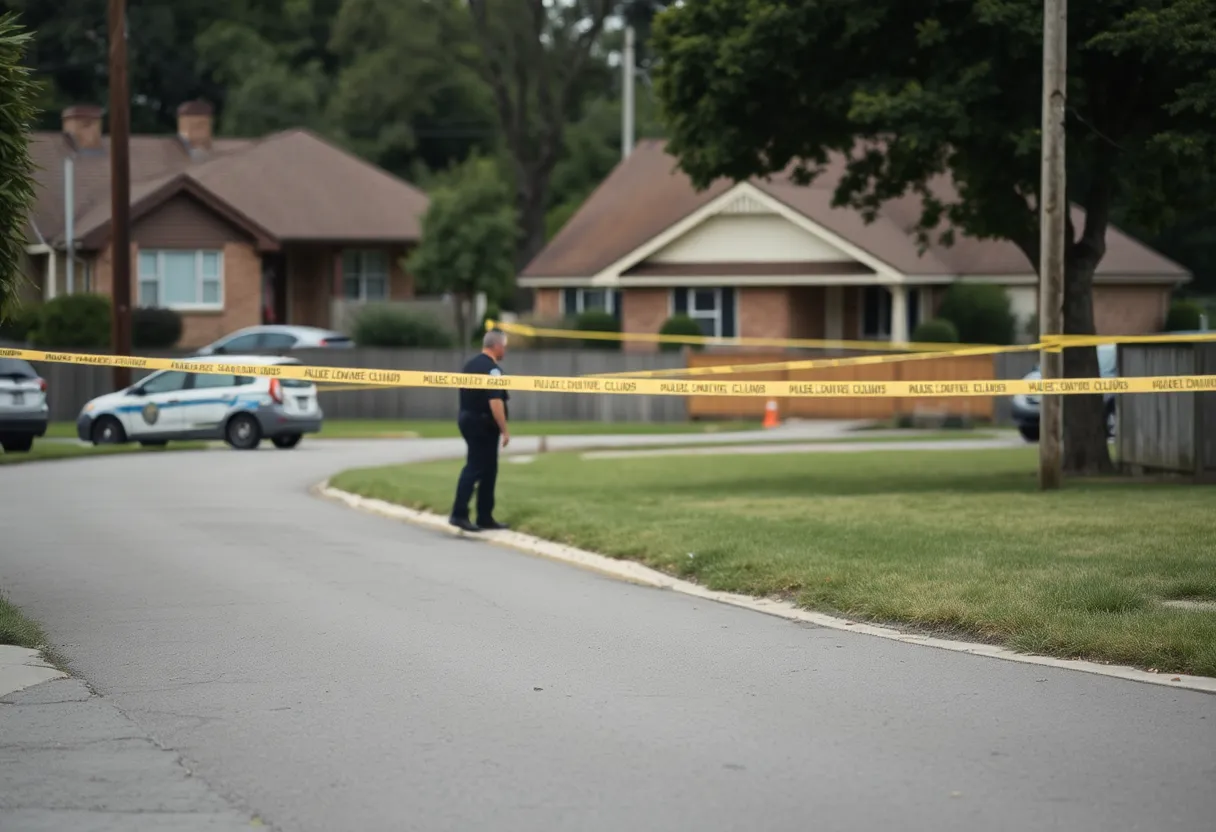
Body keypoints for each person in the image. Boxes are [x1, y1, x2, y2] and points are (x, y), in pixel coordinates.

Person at [449, 329, 511, 532]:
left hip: (467, 418)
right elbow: (495, 402)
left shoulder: (470, 365)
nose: (505, 350)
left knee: (488, 470)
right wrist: (505, 429)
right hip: (482, 424)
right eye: (505, 346)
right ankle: (459, 514)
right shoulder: (493, 370)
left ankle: (485, 516)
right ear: (498, 346)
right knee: (475, 467)